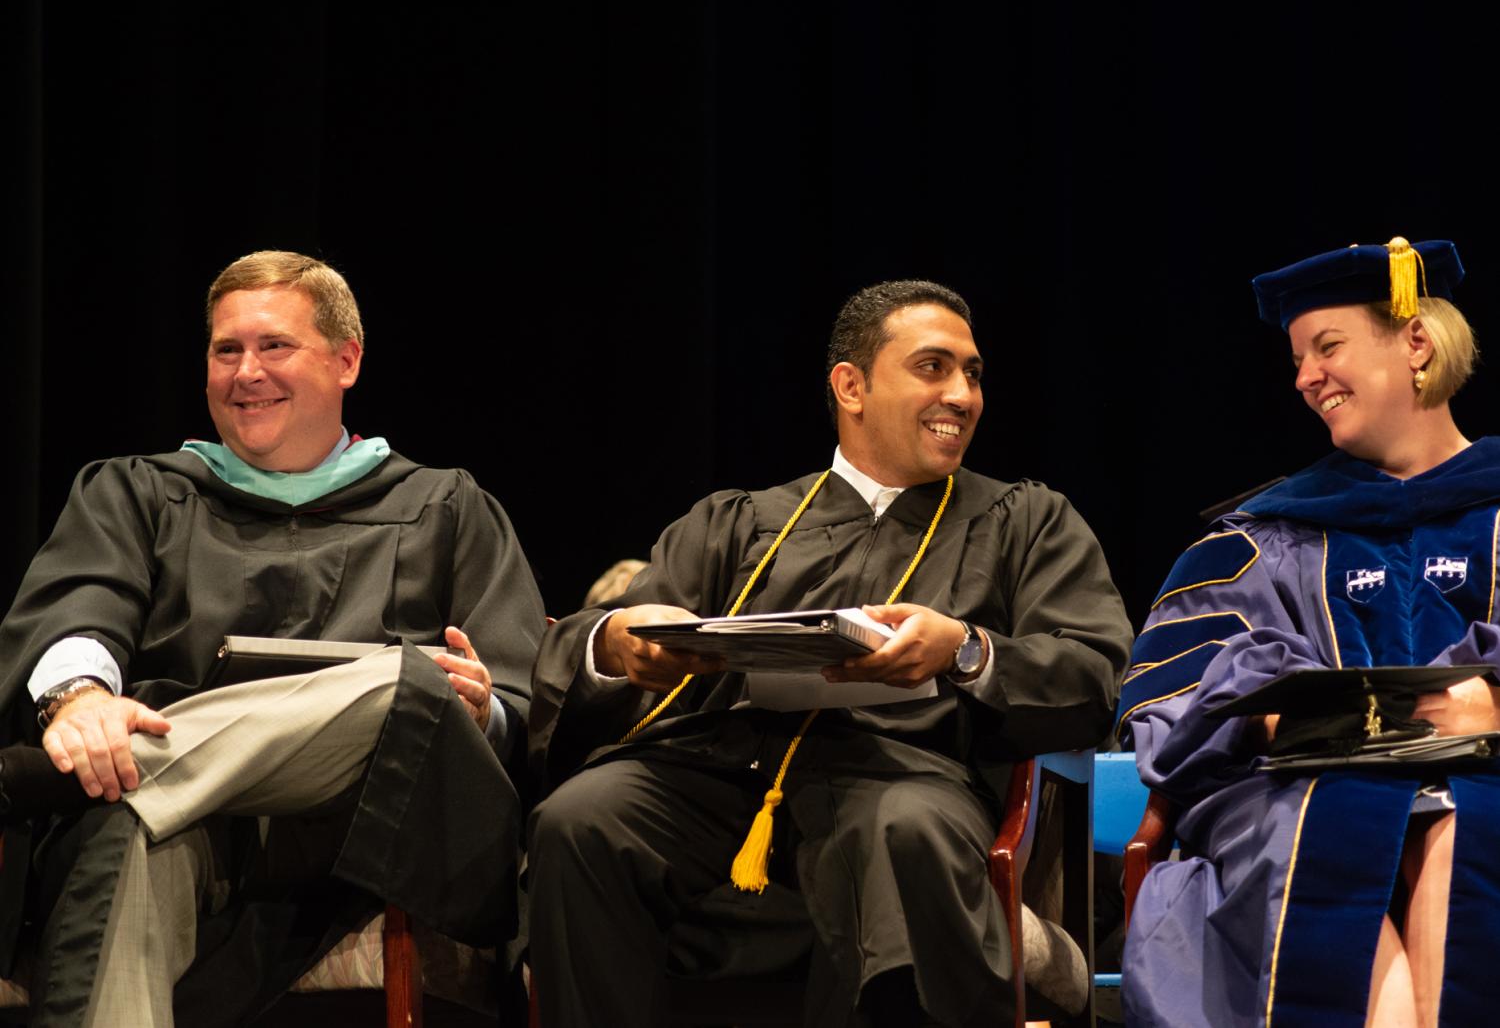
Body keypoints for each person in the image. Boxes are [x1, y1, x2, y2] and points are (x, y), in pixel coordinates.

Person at [527, 279, 1131, 1027]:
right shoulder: (741, 520)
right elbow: (602, 636)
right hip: (722, 771)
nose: (963, 395)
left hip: (908, 772)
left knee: (905, 830)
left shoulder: (1024, 521)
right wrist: (617, 645)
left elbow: (1094, 671)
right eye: (934, 367)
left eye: (972, 373)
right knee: (582, 818)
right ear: (851, 385)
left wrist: (964, 650)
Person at [0, 250, 546, 1026]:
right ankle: (167, 769)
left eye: (274, 346)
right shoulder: (140, 491)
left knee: (407, 686)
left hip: (372, 834)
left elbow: (521, 707)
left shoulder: (447, 508)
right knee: (124, 831)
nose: (246, 371)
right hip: (189, 826)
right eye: (227, 350)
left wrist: (482, 705)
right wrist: (80, 697)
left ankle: (161, 756)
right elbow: (76, 603)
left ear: (346, 359)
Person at [1118, 237, 1500, 1027]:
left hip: (1486, 788)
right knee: (1335, 833)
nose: (1304, 378)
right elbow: (1176, 692)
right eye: (1297, 359)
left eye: (1328, 346)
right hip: (1292, 799)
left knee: (1466, 823)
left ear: (1417, 343)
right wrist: (1265, 710)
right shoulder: (1260, 535)